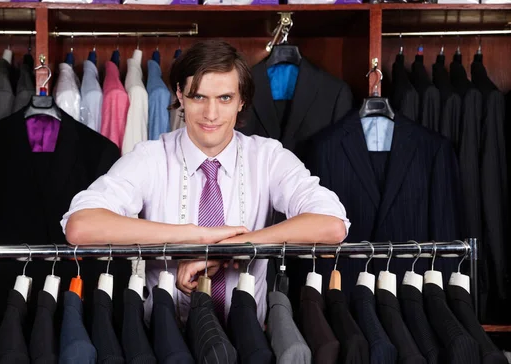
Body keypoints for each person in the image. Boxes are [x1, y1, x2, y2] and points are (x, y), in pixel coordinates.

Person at [61, 40, 350, 326]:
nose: (211, 114)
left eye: (224, 98)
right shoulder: (149, 157)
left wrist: (231, 247)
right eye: (199, 97)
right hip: (164, 340)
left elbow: (332, 225)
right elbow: (81, 226)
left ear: (242, 101)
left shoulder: (268, 157)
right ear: (180, 95)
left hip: (249, 347)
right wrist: (193, 238)